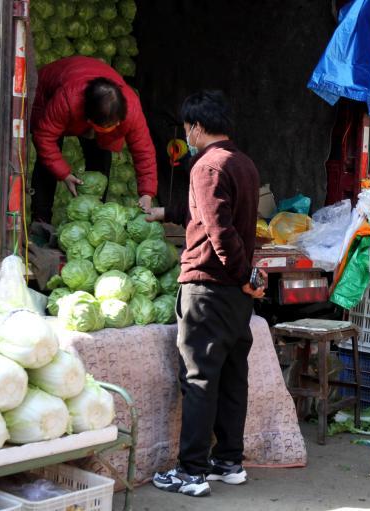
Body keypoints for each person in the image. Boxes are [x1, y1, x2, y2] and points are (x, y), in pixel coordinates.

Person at [148, 90, 264, 497]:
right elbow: (214, 215)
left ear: (195, 128)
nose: (186, 134)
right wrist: (246, 278)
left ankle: (191, 472)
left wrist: (239, 274)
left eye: (186, 128)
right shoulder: (243, 163)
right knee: (232, 376)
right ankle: (229, 461)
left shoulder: (206, 166)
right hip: (235, 295)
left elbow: (219, 230)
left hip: (209, 287)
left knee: (198, 379)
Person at [30, 56, 158, 223]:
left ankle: (95, 218)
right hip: (47, 96)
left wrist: (147, 193)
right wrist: (64, 174)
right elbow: (44, 137)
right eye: (110, 126)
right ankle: (41, 220)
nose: (118, 125)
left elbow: (144, 151)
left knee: (101, 158)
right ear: (89, 121)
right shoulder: (67, 100)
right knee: (47, 164)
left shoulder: (131, 109)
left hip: (89, 100)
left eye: (118, 123)